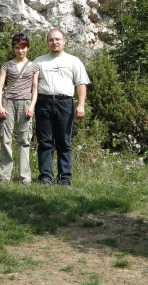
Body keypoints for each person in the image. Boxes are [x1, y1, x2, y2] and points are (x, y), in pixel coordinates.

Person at [33, 29, 90, 188]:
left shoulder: (73, 61)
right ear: (47, 42)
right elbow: (31, 85)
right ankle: (46, 178)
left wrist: (80, 104)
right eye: (51, 40)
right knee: (45, 142)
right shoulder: (39, 61)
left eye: (58, 39)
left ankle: (65, 179)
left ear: (64, 41)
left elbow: (81, 84)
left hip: (65, 103)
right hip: (43, 103)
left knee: (64, 143)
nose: (54, 42)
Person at [0, 33, 40, 184]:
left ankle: (25, 177)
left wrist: (32, 106)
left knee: (24, 139)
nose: (20, 51)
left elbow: (35, 88)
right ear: (13, 48)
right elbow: (0, 86)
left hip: (25, 103)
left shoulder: (34, 66)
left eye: (23, 47)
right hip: (7, 103)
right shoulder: (6, 65)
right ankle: (4, 176)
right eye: (17, 48)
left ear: (27, 48)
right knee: (6, 139)